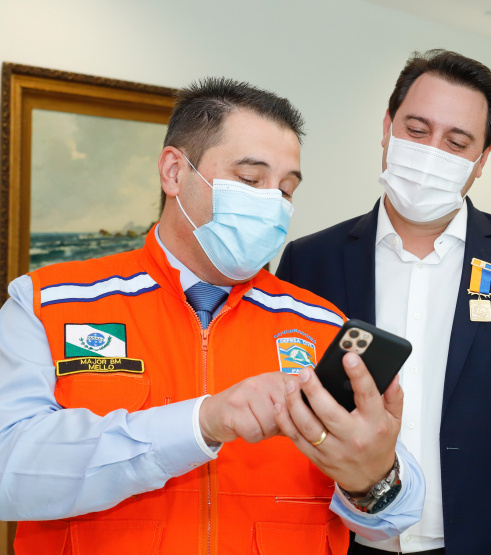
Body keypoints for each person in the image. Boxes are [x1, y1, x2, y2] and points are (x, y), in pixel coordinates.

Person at [0, 77, 425, 554]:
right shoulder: (50, 302)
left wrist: (372, 480)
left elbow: (396, 518)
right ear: (174, 172)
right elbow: (8, 470)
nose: (273, 204)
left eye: (285, 189)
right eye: (250, 180)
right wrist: (200, 422)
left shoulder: (321, 324)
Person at [276, 49, 491, 555]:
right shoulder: (310, 261)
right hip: (340, 540)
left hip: (490, 543)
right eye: (416, 129)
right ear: (387, 127)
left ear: (482, 160)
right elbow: (286, 416)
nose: (432, 152)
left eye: (457, 142)